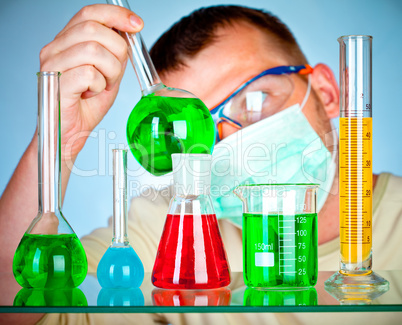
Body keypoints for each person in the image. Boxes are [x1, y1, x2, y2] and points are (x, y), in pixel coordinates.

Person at [0, 4, 401, 325]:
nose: (234, 141)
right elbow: (18, 305)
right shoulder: (162, 230)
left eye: (256, 99)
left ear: (329, 93)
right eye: (199, 131)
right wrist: (58, 134)